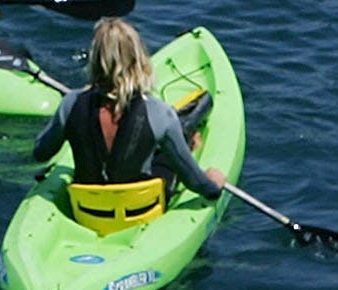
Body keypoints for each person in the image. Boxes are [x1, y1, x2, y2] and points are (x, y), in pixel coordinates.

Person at [31, 19, 231, 232]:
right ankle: (187, 142)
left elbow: (41, 153)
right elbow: (196, 183)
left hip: (86, 212)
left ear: (95, 60)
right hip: (141, 211)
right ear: (138, 61)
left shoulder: (71, 103)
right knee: (167, 154)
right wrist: (213, 185)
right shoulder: (159, 112)